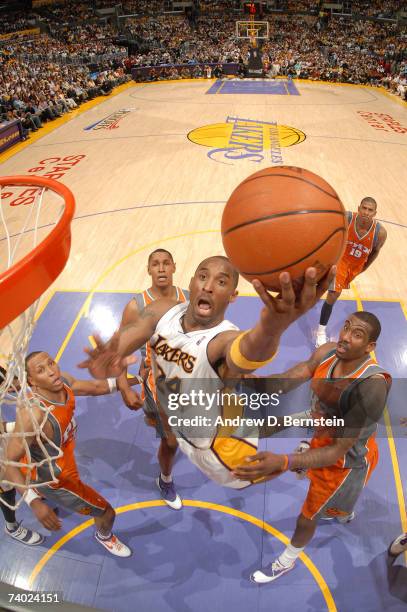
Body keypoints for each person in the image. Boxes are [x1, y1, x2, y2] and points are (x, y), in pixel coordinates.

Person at [79, 256, 334, 489]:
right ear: (191, 282)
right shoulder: (163, 309)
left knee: (256, 457)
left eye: (221, 282)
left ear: (233, 295)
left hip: (211, 435)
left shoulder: (223, 339)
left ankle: (303, 425)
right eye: (203, 276)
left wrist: (272, 328)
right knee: (254, 394)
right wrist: (113, 358)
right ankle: (166, 479)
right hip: (175, 405)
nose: (208, 286)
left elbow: (247, 351)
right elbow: (128, 338)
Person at [233, 311, 391, 583]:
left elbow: (337, 451)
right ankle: (342, 507)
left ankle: (287, 561)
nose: (344, 337)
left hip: (345, 462)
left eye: (357, 334)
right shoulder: (330, 352)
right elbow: (293, 375)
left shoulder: (372, 386)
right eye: (346, 327)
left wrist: (284, 462)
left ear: (370, 347)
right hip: (323, 427)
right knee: (271, 424)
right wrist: (251, 381)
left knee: (308, 517)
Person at [4, 352, 142, 557]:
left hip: (52, 455)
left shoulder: (63, 382)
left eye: (51, 363)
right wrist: (33, 501)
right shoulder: (34, 415)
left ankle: (37, 491)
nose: (51, 371)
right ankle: (104, 536)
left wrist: (137, 379)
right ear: (32, 382)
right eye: (41, 370)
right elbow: (9, 462)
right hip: (54, 478)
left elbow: (96, 388)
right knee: (107, 512)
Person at [118, 248, 189, 510]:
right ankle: (165, 480)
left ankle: (157, 421)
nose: (161, 268)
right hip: (158, 384)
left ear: (173, 267)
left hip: (188, 378)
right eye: (155, 264)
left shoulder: (189, 299)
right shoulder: (136, 306)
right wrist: (124, 386)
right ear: (148, 270)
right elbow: (119, 348)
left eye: (165, 263)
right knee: (171, 440)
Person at [315, 198, 387, 347]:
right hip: (340, 259)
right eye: (364, 208)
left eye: (370, 210)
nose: (366, 213)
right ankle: (321, 331)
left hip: (354, 267)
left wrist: (363, 268)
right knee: (333, 293)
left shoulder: (380, 233)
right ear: (359, 208)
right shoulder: (347, 218)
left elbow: (375, 252)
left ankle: (313, 291)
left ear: (375, 213)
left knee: (325, 287)